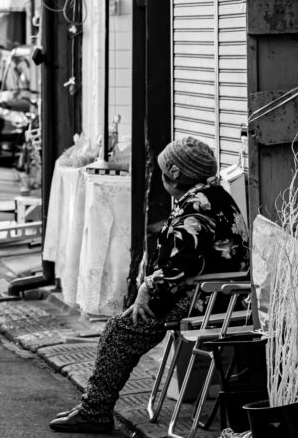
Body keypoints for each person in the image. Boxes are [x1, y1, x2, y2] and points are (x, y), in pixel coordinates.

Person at [49, 137, 249, 434]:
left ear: (175, 173)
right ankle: (94, 407)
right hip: (216, 295)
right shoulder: (212, 195)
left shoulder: (196, 207)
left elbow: (178, 269)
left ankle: (95, 411)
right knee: (122, 324)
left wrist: (146, 288)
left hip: (206, 299)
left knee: (119, 331)